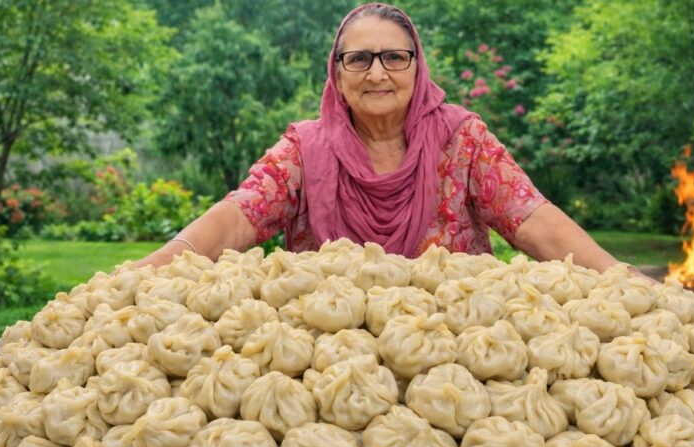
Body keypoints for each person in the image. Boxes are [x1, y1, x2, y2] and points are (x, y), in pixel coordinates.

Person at [137, 3, 629, 275]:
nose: (377, 73)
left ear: (417, 67)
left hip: (456, 362)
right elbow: (237, 217)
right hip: (330, 366)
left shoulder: (462, 139)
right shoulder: (305, 150)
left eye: (394, 57)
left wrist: (614, 273)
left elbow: (533, 220)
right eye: (359, 59)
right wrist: (154, 264)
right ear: (337, 72)